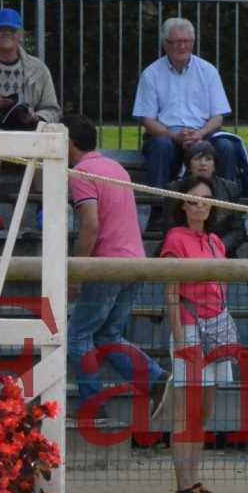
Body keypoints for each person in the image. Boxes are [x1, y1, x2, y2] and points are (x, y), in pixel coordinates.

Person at [62, 114, 169, 423]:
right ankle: (156, 380)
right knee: (107, 334)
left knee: (79, 335)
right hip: (134, 261)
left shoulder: (81, 172)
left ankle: (93, 407)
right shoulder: (115, 167)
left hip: (108, 264)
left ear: (67, 143)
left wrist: (77, 273)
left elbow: (91, 225)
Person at [161, 177, 237, 493]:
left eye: (206, 199)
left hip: (216, 327)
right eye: (193, 199)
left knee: (204, 408)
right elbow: (171, 294)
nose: (200, 204)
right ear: (182, 204)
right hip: (190, 328)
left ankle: (194, 475)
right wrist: (180, 340)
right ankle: (183, 481)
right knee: (185, 408)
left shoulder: (216, 242)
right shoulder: (175, 239)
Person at [132, 17, 248, 192]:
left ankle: (226, 209)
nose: (182, 47)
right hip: (166, 135)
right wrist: (173, 136)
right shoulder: (151, 74)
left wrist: (200, 134)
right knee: (161, 146)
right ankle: (158, 211)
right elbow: (147, 119)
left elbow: (218, 117)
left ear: (193, 43)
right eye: (177, 42)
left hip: (203, 133)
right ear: (165, 44)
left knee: (226, 147)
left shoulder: (208, 71)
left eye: (186, 41)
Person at [177, 141, 246, 254]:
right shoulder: (175, 189)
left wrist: (216, 248)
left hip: (222, 252)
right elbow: (170, 227)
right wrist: (198, 248)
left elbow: (238, 230)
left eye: (208, 159)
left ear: (214, 165)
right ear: (189, 164)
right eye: (197, 159)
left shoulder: (230, 188)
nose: (203, 163)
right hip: (184, 251)